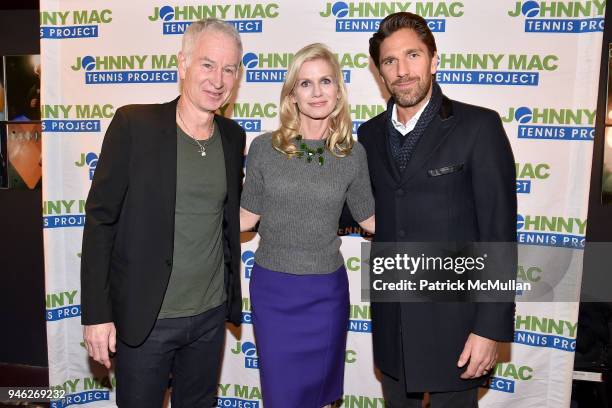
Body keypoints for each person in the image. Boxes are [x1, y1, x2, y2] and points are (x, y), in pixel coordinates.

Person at [80, 19, 245, 407]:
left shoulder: (233, 137)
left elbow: (226, 222)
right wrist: (97, 314)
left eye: (229, 69)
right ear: (182, 64)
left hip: (208, 317)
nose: (217, 79)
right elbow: (101, 221)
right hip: (146, 318)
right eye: (207, 64)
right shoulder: (134, 125)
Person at [358, 12, 516, 407]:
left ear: (434, 60)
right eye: (390, 61)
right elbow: (360, 208)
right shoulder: (369, 134)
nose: (402, 70)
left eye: (413, 55)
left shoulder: (478, 127)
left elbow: (498, 235)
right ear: (380, 73)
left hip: (458, 331)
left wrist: (488, 329)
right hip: (393, 325)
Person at [240, 43, 375, 408]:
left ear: (338, 90)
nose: (317, 92)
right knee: (281, 396)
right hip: (274, 291)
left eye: (325, 81)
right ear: (292, 95)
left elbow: (369, 219)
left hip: (326, 292)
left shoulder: (352, 154)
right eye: (305, 83)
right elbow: (245, 218)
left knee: (321, 396)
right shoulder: (265, 148)